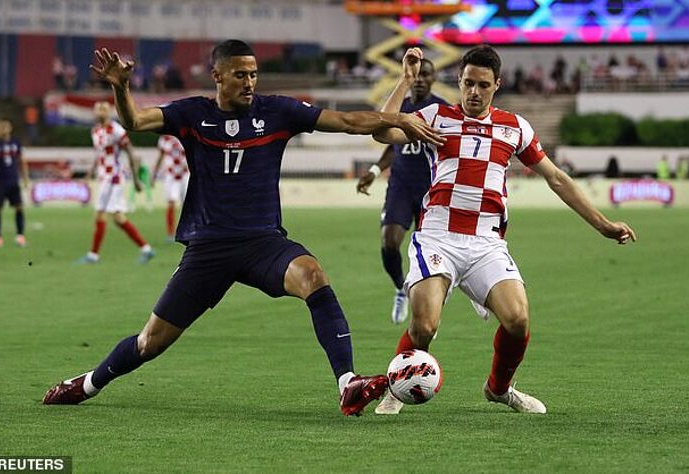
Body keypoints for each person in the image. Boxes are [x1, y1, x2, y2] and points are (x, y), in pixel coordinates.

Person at [42, 40, 443, 416]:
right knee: (150, 342)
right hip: (208, 249)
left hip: (262, 243)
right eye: (240, 75)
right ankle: (88, 384)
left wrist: (398, 119)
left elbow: (349, 121)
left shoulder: (278, 111)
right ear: (217, 76)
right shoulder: (192, 114)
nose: (249, 82)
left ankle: (347, 383)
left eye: (253, 74)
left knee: (313, 276)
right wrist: (121, 87)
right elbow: (134, 120)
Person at [372, 46, 637, 415]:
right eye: (468, 83)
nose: (474, 92)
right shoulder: (435, 117)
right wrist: (405, 80)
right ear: (459, 81)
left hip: (486, 243)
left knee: (517, 320)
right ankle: (397, 386)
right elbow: (382, 132)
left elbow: (557, 178)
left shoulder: (515, 127)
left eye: (483, 85)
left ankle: (498, 389)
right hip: (438, 237)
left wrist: (603, 224)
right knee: (425, 326)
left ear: (497, 84)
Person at [356, 58, 448, 324]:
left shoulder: (442, 110)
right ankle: (400, 288)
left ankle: (428, 311)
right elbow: (392, 146)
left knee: (430, 254)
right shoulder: (400, 107)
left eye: (425, 74)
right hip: (401, 187)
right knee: (389, 242)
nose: (420, 79)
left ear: (433, 78)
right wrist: (375, 171)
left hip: (431, 190)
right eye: (416, 74)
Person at [77, 102, 155, 264]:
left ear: (109, 112)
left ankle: (94, 255)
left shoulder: (116, 130)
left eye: (104, 109)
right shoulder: (96, 131)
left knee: (106, 214)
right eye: (98, 109)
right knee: (114, 217)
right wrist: (89, 174)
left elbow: (130, 153)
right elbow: (99, 155)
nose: (100, 111)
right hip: (104, 178)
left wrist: (135, 179)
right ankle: (146, 249)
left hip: (114, 178)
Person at [0, 118, 30, 248]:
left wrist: (25, 178)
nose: (3, 129)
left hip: (13, 181)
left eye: (5, 126)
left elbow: (22, 161)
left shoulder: (16, 143)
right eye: (1, 127)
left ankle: (20, 236)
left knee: (19, 207)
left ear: (10, 128)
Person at [152, 134, 189, 241]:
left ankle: (188, 231)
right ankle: (170, 234)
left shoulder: (184, 134)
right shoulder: (164, 139)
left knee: (188, 204)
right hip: (171, 176)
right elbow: (160, 157)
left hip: (185, 175)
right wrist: (154, 174)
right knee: (171, 203)